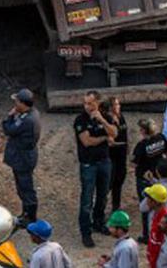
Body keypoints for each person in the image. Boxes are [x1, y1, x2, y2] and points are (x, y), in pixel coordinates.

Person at [75, 90, 118, 247]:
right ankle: (86, 232)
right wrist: (105, 138)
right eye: (85, 103)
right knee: (87, 198)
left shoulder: (105, 117)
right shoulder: (80, 119)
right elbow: (87, 141)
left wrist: (103, 122)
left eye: (90, 103)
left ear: (98, 103)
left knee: (102, 195)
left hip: (104, 162)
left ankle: (98, 222)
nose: (87, 106)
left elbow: (115, 132)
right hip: (88, 164)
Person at [3, 87, 41, 223]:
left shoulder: (27, 120)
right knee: (23, 187)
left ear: (23, 104)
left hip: (23, 159)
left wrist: (9, 116)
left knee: (26, 188)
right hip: (24, 156)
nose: (15, 104)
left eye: (17, 102)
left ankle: (30, 217)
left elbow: (9, 130)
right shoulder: (32, 114)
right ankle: (26, 214)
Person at [132, 119, 167, 234]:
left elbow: (134, 163)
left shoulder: (141, 145)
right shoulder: (161, 138)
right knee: (159, 204)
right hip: (158, 176)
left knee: (146, 205)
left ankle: (146, 233)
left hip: (144, 178)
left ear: (144, 131)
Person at [106, 96, 129, 212]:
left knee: (119, 181)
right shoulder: (108, 121)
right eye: (116, 105)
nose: (118, 107)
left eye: (118, 104)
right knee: (109, 182)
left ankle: (116, 206)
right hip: (112, 156)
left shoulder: (121, 117)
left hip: (122, 154)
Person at [142, 184, 167, 268]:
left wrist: (153, 264)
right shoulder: (155, 214)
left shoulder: (164, 222)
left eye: (148, 199)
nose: (146, 201)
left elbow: (160, 246)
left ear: (155, 202)